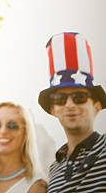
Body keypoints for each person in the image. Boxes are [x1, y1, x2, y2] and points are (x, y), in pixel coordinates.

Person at [37, 32, 106, 192]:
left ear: (96, 106)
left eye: (79, 97)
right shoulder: (54, 169)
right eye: (60, 99)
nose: (69, 104)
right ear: (53, 110)